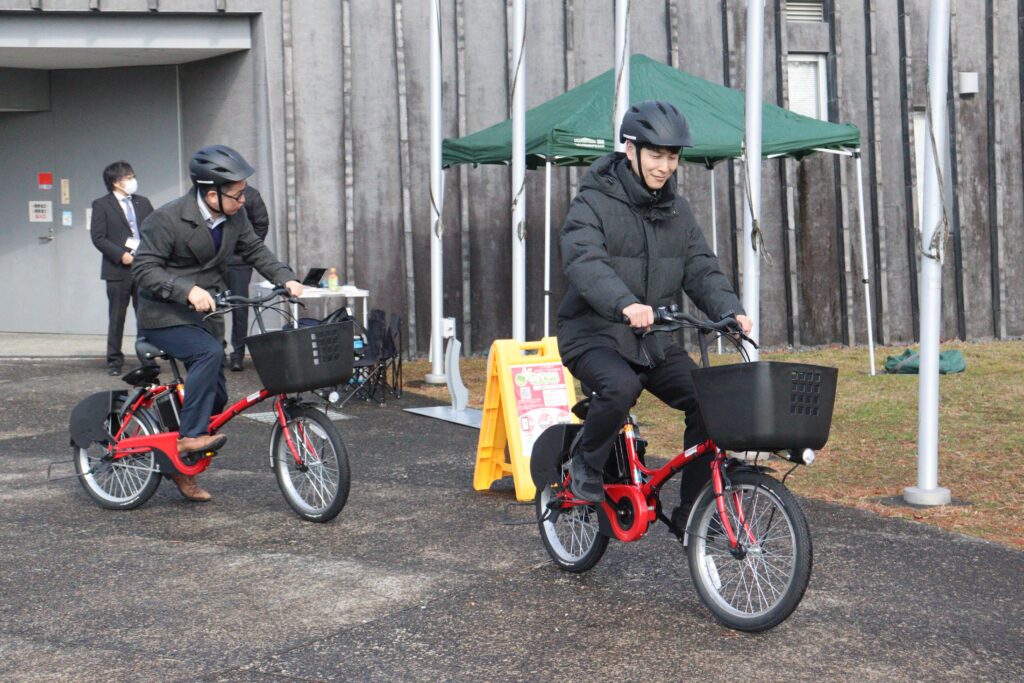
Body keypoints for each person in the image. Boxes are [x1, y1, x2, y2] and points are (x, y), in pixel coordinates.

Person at [556, 100, 753, 527]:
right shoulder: (592, 202)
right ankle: (585, 465)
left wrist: (730, 311)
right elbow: (584, 260)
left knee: (710, 402)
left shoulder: (676, 211)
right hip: (593, 334)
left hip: (652, 340)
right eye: (656, 154)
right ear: (631, 150)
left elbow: (700, 267)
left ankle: (694, 512)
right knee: (620, 386)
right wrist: (623, 303)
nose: (665, 166)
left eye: (673, 156)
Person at [132, 145, 303, 502]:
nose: (245, 201)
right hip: (164, 313)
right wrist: (185, 288)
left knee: (217, 398)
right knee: (208, 355)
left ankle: (181, 463)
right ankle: (189, 438)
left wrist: (286, 279)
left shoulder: (234, 218)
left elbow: (257, 251)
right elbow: (144, 269)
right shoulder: (166, 219)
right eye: (238, 194)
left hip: (204, 315)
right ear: (212, 194)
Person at [89, 161, 154, 376]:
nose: (133, 181)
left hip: (143, 267)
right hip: (118, 269)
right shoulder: (101, 205)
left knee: (145, 314)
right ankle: (114, 361)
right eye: (129, 177)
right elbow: (98, 237)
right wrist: (120, 255)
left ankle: (147, 358)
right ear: (116, 182)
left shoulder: (143, 202)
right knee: (117, 316)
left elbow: (154, 230)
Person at [224, 184, 270, 371]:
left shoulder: (250, 195)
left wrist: (246, 250)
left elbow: (261, 223)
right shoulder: (213, 195)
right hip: (214, 261)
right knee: (210, 307)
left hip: (239, 263)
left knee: (240, 308)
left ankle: (238, 355)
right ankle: (217, 352)